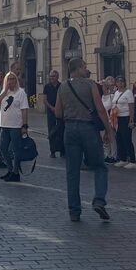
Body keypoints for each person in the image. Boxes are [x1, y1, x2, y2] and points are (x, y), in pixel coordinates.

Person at [54, 58, 113, 222]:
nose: (86, 70)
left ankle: (74, 211)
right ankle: (99, 200)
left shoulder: (63, 86)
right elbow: (100, 109)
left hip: (70, 129)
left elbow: (58, 113)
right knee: (100, 166)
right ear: (78, 68)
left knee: (72, 171)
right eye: (85, 67)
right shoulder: (90, 84)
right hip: (88, 129)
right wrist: (108, 130)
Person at [0, 72, 29, 182]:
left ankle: (15, 172)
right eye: (8, 79)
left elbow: (24, 110)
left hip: (16, 125)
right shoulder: (5, 92)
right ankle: (10, 169)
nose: (11, 81)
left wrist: (24, 125)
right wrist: (5, 91)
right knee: (2, 148)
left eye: (13, 79)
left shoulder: (21, 93)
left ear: (16, 81)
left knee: (15, 149)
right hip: (4, 124)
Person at [112, 77, 136, 169]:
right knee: (119, 138)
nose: (119, 83)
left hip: (125, 117)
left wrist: (131, 119)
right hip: (117, 118)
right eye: (118, 82)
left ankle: (132, 160)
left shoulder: (128, 93)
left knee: (127, 138)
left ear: (124, 83)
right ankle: (122, 158)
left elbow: (131, 107)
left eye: (121, 82)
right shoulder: (116, 92)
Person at [43, 70, 63, 158]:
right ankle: (52, 151)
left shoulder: (61, 86)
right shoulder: (47, 87)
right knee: (51, 130)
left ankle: (62, 150)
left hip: (60, 111)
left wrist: (58, 108)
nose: (51, 78)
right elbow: (44, 100)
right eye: (50, 76)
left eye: (53, 76)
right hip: (50, 111)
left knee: (61, 130)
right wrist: (52, 108)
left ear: (57, 77)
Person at [101, 77, 118, 164]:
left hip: (111, 119)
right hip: (104, 119)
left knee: (112, 138)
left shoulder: (114, 95)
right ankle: (106, 154)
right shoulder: (103, 96)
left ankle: (114, 155)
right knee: (105, 138)